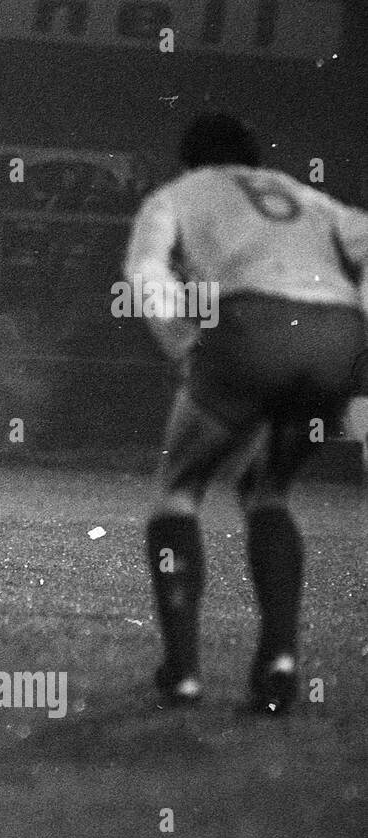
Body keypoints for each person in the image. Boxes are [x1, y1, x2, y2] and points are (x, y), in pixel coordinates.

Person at [124, 113, 368, 714]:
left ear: (190, 161)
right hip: (336, 338)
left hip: (249, 328)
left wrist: (183, 338)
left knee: (179, 491)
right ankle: (280, 661)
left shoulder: (176, 194)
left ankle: (182, 673)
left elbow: (146, 272)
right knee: (268, 490)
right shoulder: (307, 196)